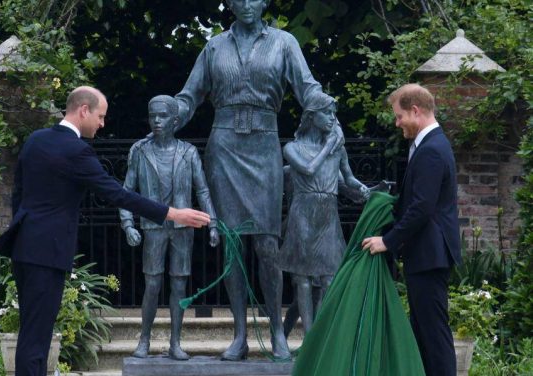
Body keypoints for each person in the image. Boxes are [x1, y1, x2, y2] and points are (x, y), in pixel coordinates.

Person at [0, 86, 211, 376]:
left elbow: (18, 194)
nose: (102, 123)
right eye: (101, 116)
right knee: (38, 336)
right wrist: (172, 212)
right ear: (84, 110)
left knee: (32, 333)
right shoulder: (76, 150)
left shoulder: (35, 140)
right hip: (48, 252)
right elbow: (117, 194)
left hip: (24, 248)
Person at [174, 0, 342, 360]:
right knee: (233, 246)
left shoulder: (284, 42)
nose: (247, 4)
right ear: (230, 4)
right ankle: (239, 335)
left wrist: (325, 107)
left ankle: (277, 332)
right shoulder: (214, 46)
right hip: (224, 147)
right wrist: (168, 116)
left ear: (264, 2)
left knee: (268, 243)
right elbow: (189, 97)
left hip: (265, 145)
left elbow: (307, 87)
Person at [362, 83, 462, 376]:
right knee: (423, 333)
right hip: (426, 254)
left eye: (399, 116)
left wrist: (388, 241)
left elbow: (422, 208)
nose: (397, 123)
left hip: (430, 255)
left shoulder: (431, 149)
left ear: (415, 111)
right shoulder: (427, 145)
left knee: (433, 335)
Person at [119, 95, 220, 360]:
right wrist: (128, 223)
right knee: (152, 285)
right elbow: (126, 192)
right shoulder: (140, 152)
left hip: (183, 229)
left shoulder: (188, 152)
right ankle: (144, 340)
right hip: (153, 228)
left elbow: (203, 190)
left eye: (162, 116)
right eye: (152, 116)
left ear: (175, 121)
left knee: (179, 286)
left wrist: (213, 223)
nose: (156, 121)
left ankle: (176, 342)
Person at [279, 93, 369, 335]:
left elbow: (348, 179)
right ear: (311, 116)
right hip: (303, 214)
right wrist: (329, 146)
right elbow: (308, 170)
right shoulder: (292, 148)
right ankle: (309, 337)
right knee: (303, 279)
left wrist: (367, 190)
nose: (332, 118)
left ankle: (322, 335)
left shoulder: (338, 151)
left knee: (329, 277)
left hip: (327, 215)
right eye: (327, 113)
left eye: (334, 114)